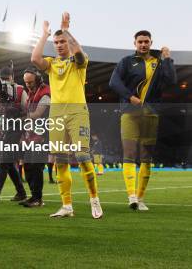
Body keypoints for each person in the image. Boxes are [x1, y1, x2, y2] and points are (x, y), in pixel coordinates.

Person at [31, 12, 103, 219]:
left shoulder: (78, 63)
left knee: (82, 157)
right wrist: (44, 35)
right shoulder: (52, 64)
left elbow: (79, 52)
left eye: (62, 41)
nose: (60, 45)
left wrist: (67, 31)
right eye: (57, 42)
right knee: (60, 161)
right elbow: (34, 59)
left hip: (77, 113)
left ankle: (94, 200)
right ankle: (66, 206)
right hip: (56, 115)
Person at [108, 30, 176, 211]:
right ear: (135, 43)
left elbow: (171, 80)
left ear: (151, 42)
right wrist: (130, 97)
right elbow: (113, 82)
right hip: (130, 112)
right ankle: (131, 196)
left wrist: (168, 58)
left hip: (151, 113)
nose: (143, 44)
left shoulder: (159, 63)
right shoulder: (127, 62)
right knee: (129, 153)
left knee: (146, 157)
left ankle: (141, 198)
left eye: (146, 41)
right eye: (140, 42)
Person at [0, 66, 27, 204]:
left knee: (4, 162)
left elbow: (28, 113)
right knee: (8, 163)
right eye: (2, 79)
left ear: (12, 77)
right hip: (4, 130)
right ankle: (21, 193)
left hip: (17, 130)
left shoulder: (21, 91)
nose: (4, 81)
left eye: (6, 78)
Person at [20, 67, 51, 207]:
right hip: (30, 136)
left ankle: (38, 199)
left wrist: (20, 116)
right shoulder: (31, 94)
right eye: (26, 83)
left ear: (38, 80)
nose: (28, 85)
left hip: (43, 135)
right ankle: (33, 196)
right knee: (27, 166)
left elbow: (38, 114)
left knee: (36, 166)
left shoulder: (46, 93)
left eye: (31, 82)